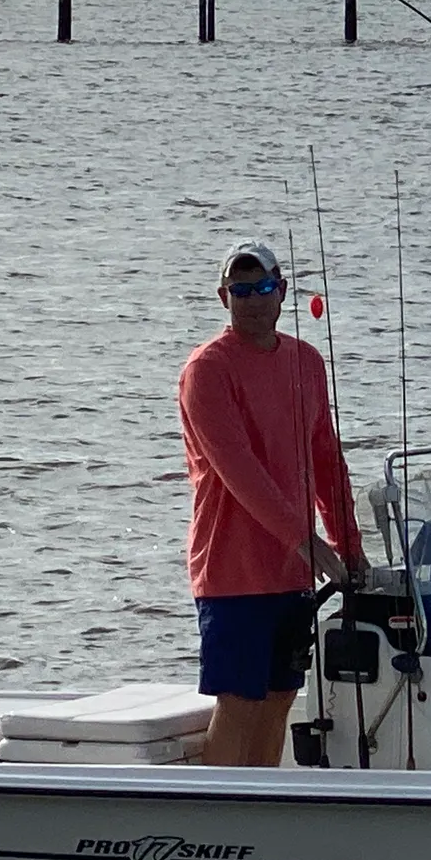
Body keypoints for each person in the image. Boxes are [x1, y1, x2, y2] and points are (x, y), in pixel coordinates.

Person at [177, 239, 366, 766]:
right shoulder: (207, 370)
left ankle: (262, 802)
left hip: (294, 572)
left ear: (281, 291)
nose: (254, 300)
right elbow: (239, 470)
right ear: (224, 298)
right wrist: (306, 540)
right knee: (239, 701)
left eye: (263, 287)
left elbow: (326, 460)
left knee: (281, 697)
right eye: (241, 291)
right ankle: (218, 811)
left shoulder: (306, 361)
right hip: (233, 572)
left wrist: (348, 545)